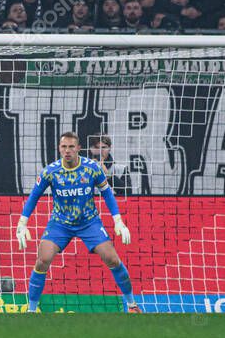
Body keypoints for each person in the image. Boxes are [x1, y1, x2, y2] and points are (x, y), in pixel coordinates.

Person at [15, 132, 140, 313]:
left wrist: (118, 220)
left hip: (89, 222)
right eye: (64, 147)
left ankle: (132, 305)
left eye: (71, 147)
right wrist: (22, 223)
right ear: (59, 148)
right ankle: (31, 310)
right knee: (43, 260)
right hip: (60, 224)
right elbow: (34, 196)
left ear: (78, 148)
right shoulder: (51, 171)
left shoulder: (92, 168)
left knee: (112, 258)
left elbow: (107, 192)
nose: (67, 151)